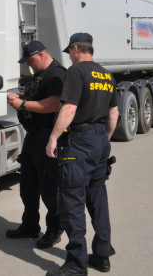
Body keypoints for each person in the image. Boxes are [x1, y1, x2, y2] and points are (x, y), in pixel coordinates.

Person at [45, 33, 119, 276]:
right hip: (99, 140)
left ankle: (76, 265)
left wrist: (54, 137)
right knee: (98, 200)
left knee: (72, 204)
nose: (69, 56)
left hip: (79, 141)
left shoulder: (76, 72)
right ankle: (102, 255)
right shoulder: (106, 74)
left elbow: (69, 108)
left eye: (69, 52)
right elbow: (114, 113)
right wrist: (104, 140)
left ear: (76, 49)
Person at [6, 40, 66, 249]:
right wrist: (20, 97)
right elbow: (37, 96)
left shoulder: (56, 74)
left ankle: (54, 230)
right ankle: (30, 225)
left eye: (30, 60)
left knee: (50, 189)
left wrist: (22, 104)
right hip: (33, 137)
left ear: (40, 54)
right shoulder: (41, 74)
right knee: (28, 186)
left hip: (48, 136)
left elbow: (53, 104)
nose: (29, 65)